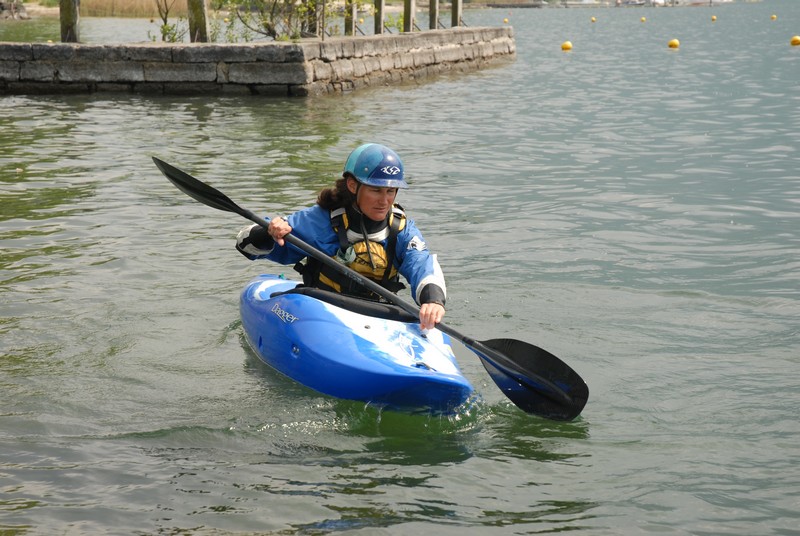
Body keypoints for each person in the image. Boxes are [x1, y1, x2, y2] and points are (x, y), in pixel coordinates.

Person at [236, 143, 446, 330]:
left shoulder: (401, 229)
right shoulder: (321, 221)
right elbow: (245, 245)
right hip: (322, 308)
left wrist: (432, 301)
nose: (385, 201)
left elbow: (421, 264)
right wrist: (268, 231)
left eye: (391, 191)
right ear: (353, 185)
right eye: (376, 190)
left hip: (380, 315)